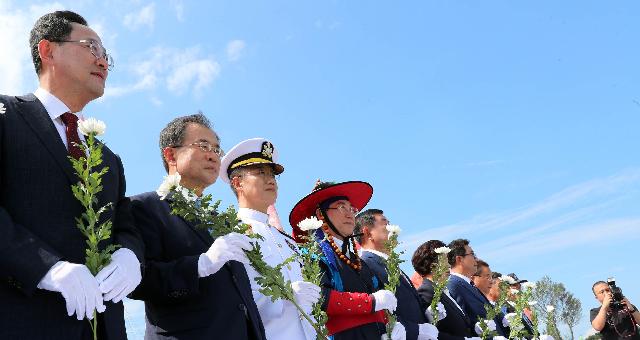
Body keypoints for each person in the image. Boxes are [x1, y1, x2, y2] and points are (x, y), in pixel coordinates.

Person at [0, 10, 143, 339]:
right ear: (48, 51)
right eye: (91, 47)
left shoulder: (108, 158)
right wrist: (45, 266)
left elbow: (125, 225)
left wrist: (130, 256)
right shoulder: (7, 116)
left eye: (106, 54)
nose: (103, 62)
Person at [128, 115, 265, 339]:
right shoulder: (144, 207)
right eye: (203, 146)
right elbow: (138, 281)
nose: (213, 155)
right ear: (171, 154)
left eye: (216, 149)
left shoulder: (224, 222)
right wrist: (200, 265)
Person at [220, 138, 320, 340]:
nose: (270, 179)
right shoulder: (231, 233)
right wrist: (283, 300)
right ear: (237, 182)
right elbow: (230, 300)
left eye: (272, 174)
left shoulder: (286, 241)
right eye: (260, 173)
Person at [290, 181, 404, 340]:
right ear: (320, 214)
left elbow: (381, 297)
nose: (350, 214)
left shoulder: (357, 259)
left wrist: (391, 323)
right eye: (342, 207)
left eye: (352, 209)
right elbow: (321, 296)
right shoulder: (314, 254)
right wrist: (370, 302)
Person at [356, 209, 438, 340]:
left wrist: (427, 311)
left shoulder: (390, 263)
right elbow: (378, 312)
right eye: (385, 223)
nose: (391, 228)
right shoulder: (365, 264)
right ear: (367, 232)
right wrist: (415, 330)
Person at [412, 240, 478, 340]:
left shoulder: (443, 291)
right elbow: (433, 333)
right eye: (444, 260)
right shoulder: (427, 292)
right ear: (433, 265)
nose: (448, 266)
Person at [446, 239, 509, 337]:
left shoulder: (469, 285)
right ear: (459, 259)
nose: (476, 258)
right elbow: (460, 322)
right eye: (472, 254)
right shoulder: (453, 285)